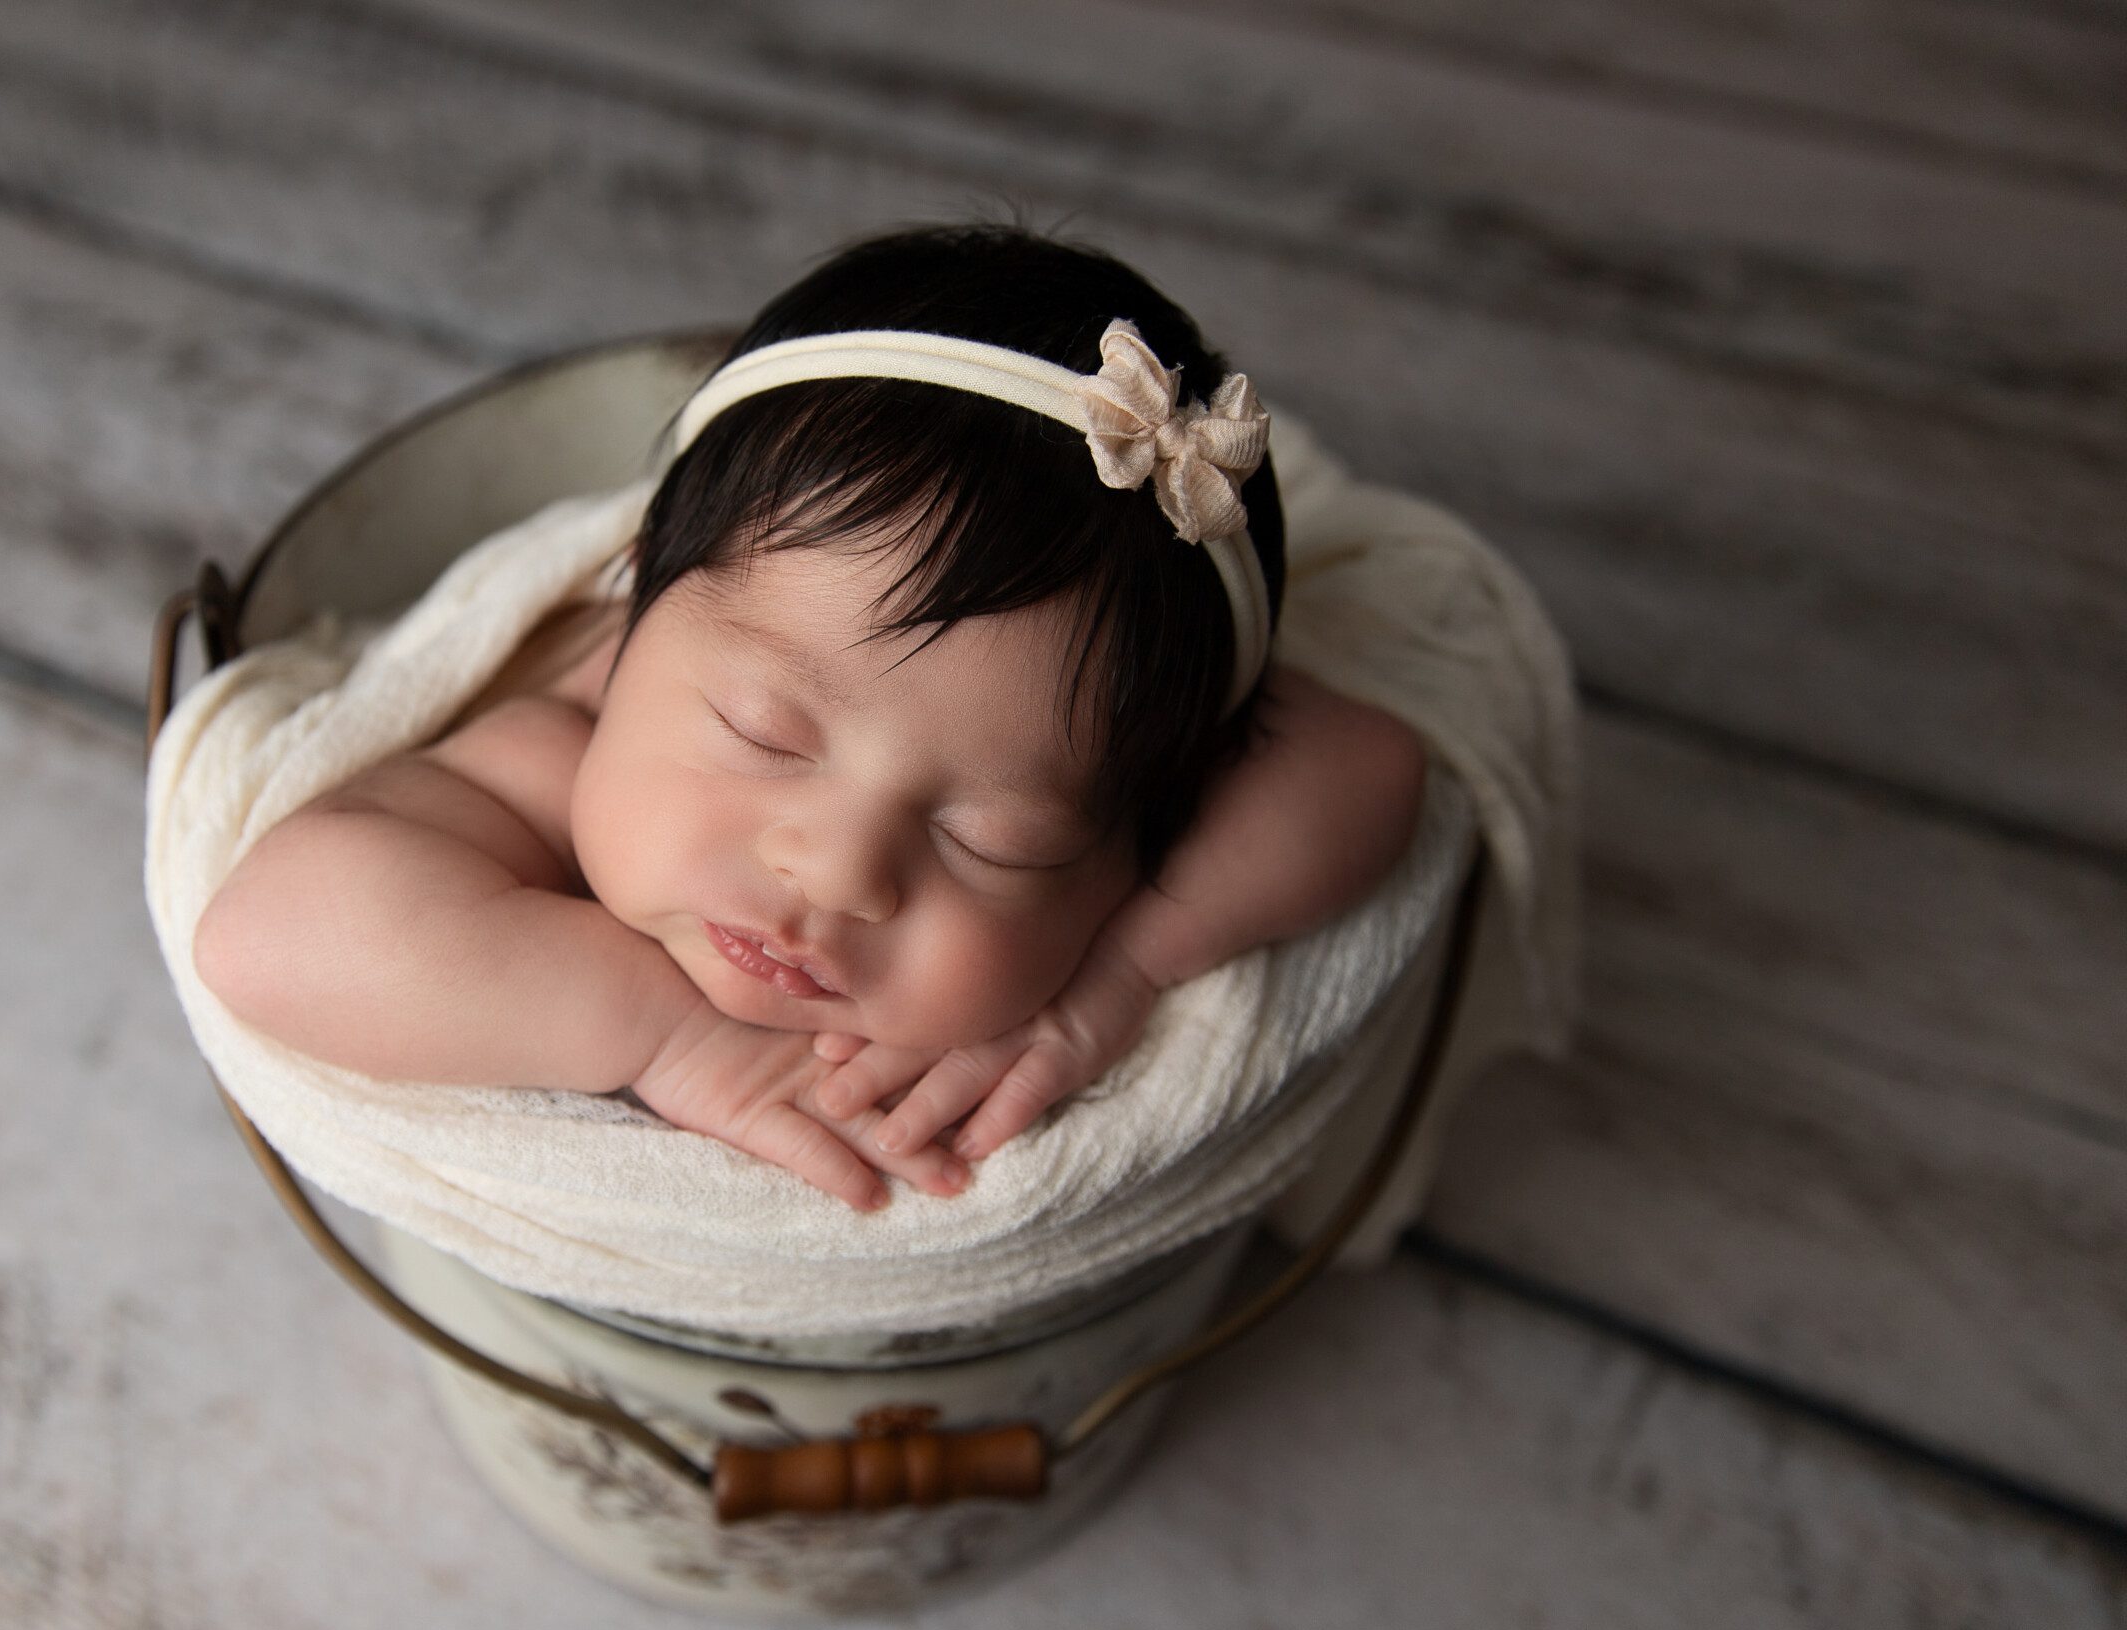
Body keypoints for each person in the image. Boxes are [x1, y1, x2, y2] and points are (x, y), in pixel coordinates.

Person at [191, 224, 1426, 1212]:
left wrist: (1129, 964)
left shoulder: (1135, 799)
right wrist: (671, 1038)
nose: (836, 869)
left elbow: (1370, 766)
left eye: (995, 841)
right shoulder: (547, 759)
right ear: (633, 607)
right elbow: (270, 934)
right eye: (763, 734)